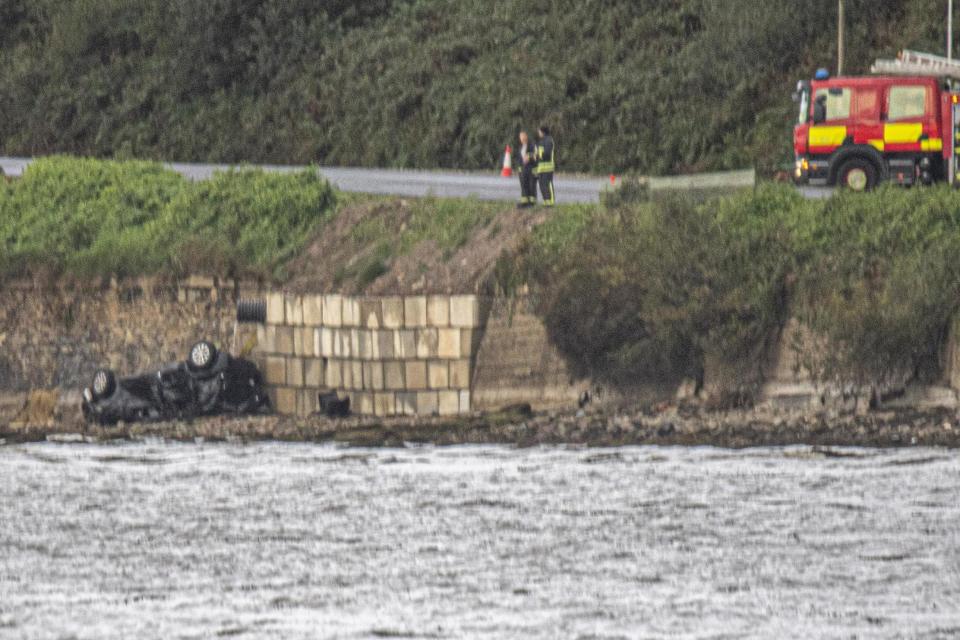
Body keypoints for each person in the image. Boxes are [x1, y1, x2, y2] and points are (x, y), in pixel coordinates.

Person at [534, 125, 556, 206]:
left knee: (548, 184)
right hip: (540, 167)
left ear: (543, 132)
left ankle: (551, 201)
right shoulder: (540, 141)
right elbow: (537, 153)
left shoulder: (549, 141)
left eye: (539, 131)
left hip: (548, 167)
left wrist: (538, 154)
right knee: (541, 184)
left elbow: (547, 153)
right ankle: (546, 201)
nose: (538, 133)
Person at [516, 130, 537, 207]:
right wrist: (519, 169)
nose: (522, 138)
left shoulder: (532, 145)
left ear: (526, 136)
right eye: (520, 137)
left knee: (531, 186)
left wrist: (530, 157)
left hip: (531, 168)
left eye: (523, 136)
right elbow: (519, 159)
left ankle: (532, 203)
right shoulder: (521, 147)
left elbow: (536, 155)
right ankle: (524, 202)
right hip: (523, 170)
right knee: (524, 186)